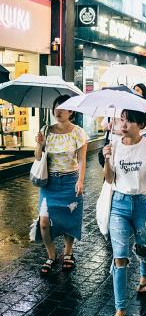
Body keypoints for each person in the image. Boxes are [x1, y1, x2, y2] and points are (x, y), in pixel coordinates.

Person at [103, 109, 146, 316]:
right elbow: (109, 179)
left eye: (129, 121)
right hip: (118, 203)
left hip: (142, 204)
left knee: (142, 246)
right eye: (122, 119)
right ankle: (120, 310)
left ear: (140, 125)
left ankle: (145, 275)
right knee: (120, 256)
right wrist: (107, 159)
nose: (123, 124)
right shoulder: (114, 145)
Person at [34, 95, 87, 275]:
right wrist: (40, 144)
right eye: (56, 107)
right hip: (50, 183)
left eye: (63, 108)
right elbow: (38, 157)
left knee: (69, 218)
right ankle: (51, 255)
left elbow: (82, 160)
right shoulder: (46, 130)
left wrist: (80, 180)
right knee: (43, 222)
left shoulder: (78, 132)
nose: (58, 111)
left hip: (70, 181)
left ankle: (68, 253)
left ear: (71, 112)